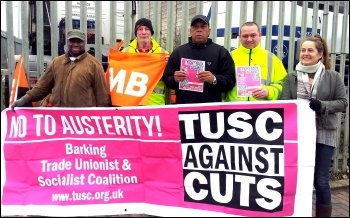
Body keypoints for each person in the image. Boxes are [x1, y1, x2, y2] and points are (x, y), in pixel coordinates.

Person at [280, 34, 348, 217]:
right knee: (297, 178)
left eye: (310, 50)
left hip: (324, 133)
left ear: (320, 54)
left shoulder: (333, 77)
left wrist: (323, 105)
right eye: (303, 50)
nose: (305, 53)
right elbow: (283, 103)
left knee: (321, 180)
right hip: (298, 135)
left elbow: (343, 102)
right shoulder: (292, 76)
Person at [11, 29, 110, 109]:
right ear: (67, 42)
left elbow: (101, 96)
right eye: (72, 41)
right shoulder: (56, 62)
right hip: (59, 118)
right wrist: (24, 99)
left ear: (84, 42)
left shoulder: (94, 64)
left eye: (79, 41)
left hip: (82, 120)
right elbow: (42, 86)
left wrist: (100, 116)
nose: (76, 44)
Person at [162, 15, 235, 104]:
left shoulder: (221, 52)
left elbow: (230, 81)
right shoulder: (179, 52)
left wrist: (214, 79)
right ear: (190, 31)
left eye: (203, 27)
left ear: (209, 31)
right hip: (185, 108)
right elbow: (166, 80)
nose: (199, 30)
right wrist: (174, 79)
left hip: (211, 110)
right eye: (195, 27)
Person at [225, 21, 287, 101]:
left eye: (253, 35)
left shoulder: (271, 58)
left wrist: (269, 91)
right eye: (245, 36)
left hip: (262, 110)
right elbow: (222, 85)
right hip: (234, 110)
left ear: (260, 36)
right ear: (240, 37)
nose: (249, 39)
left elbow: (284, 84)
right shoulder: (229, 57)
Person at [121, 17, 169, 106]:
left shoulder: (163, 54)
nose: (143, 32)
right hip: (131, 103)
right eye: (140, 29)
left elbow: (169, 79)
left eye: (147, 29)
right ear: (136, 33)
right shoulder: (125, 53)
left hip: (154, 104)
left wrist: (167, 66)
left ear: (151, 33)